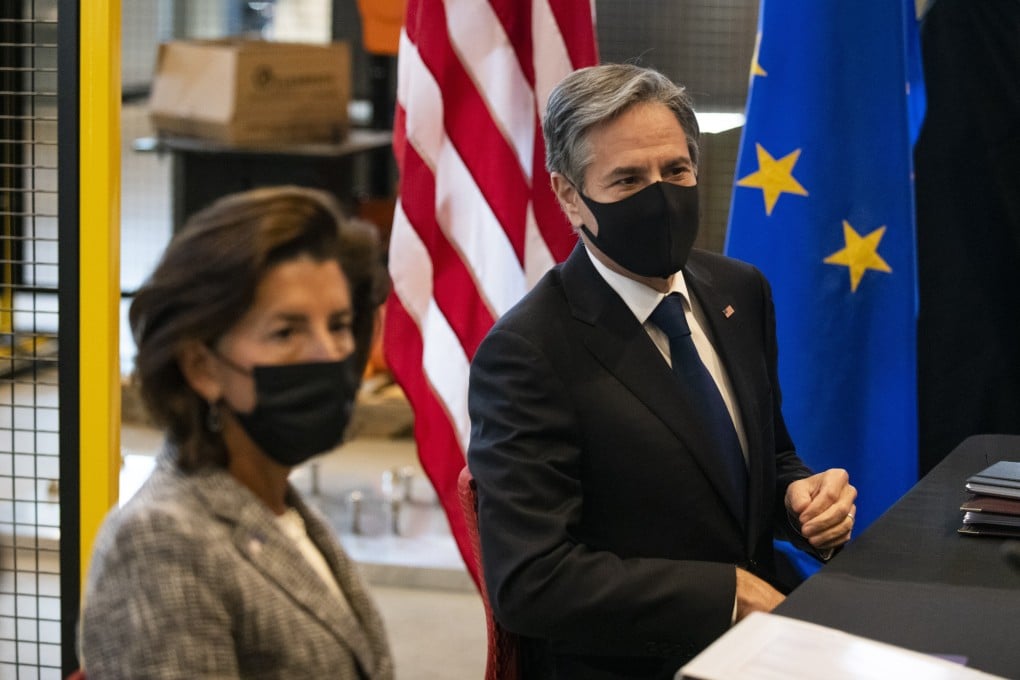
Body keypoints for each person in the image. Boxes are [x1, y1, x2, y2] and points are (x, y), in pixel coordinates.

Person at [466, 63, 857, 679]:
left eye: (676, 171)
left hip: (767, 644)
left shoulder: (739, 291)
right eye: (627, 180)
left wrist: (800, 498)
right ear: (570, 196)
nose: (662, 197)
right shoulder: (528, 351)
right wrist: (726, 594)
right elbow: (531, 580)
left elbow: (767, 456)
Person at [78, 186, 394, 679]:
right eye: (286, 332)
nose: (329, 353)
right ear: (202, 366)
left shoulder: (278, 507)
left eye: (338, 324)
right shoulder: (158, 544)